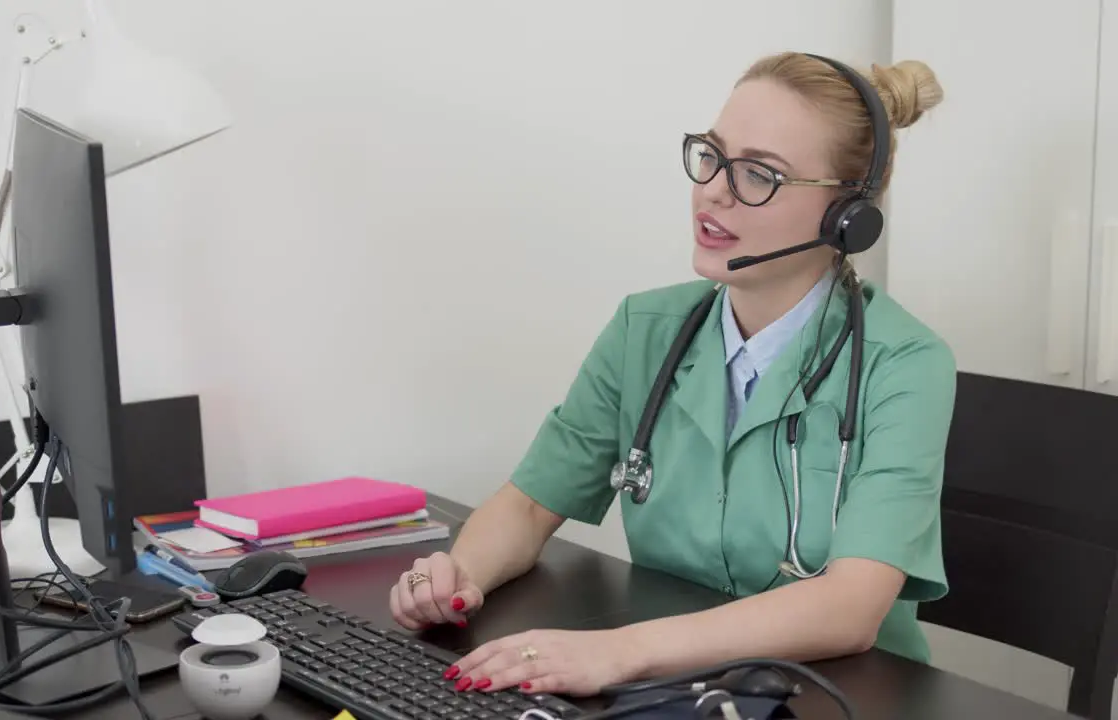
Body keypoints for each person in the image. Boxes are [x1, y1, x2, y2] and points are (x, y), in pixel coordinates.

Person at [389, 50, 955, 697]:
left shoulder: (905, 364)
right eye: (712, 156)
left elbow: (849, 610)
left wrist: (621, 652)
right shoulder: (645, 329)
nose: (714, 190)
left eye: (759, 175)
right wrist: (457, 576)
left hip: (842, 695)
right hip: (681, 686)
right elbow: (528, 504)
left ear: (847, 216)